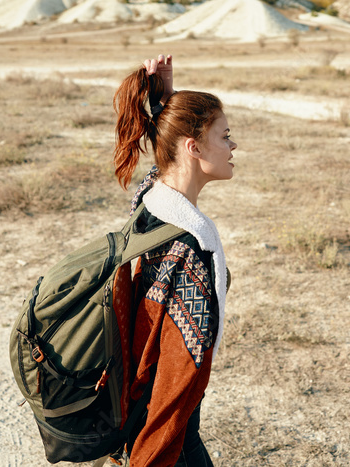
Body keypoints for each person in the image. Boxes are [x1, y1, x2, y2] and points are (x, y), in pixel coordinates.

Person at [111, 54, 236, 466]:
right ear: (193, 146)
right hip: (168, 435)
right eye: (225, 136)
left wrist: (163, 102)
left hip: (141, 412)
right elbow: (177, 372)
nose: (234, 146)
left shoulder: (151, 200)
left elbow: (166, 162)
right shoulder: (191, 247)